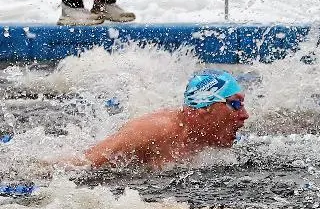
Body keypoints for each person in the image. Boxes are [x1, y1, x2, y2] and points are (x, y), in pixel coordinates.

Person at [63, 70, 249, 169]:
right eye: (235, 105)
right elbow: (82, 163)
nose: (245, 114)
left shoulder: (209, 136)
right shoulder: (154, 131)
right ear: (205, 108)